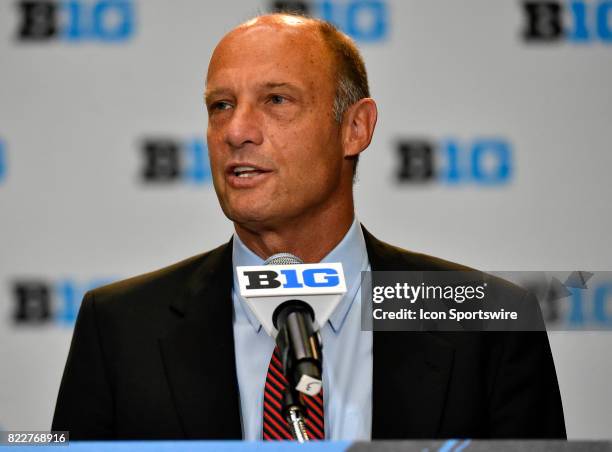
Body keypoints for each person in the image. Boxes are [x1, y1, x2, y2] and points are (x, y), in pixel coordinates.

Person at [52, 13, 566, 440]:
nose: (236, 131)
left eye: (277, 100)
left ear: (355, 128)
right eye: (221, 106)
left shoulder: (488, 324)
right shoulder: (120, 327)